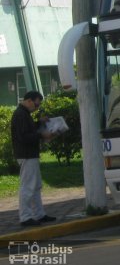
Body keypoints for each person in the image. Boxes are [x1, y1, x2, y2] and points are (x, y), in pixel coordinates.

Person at [10, 91, 57, 226]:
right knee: (28, 186)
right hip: (26, 154)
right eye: (36, 105)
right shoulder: (20, 115)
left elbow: (28, 131)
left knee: (35, 186)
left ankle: (39, 214)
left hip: (30, 154)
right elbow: (24, 137)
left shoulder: (24, 114)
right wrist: (42, 135)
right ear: (29, 101)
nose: (37, 107)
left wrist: (38, 123)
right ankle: (25, 217)